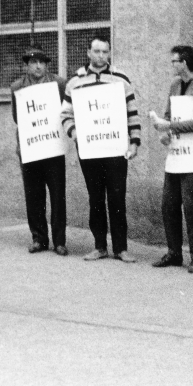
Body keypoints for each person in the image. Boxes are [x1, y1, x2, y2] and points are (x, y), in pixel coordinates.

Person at [61, 35, 140, 263]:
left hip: (115, 149)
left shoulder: (120, 79)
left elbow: (131, 112)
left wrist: (134, 141)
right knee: (95, 198)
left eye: (105, 52)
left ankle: (121, 248)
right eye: (96, 51)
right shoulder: (76, 80)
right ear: (88, 52)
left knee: (117, 198)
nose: (101, 56)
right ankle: (99, 246)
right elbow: (66, 114)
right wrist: (76, 134)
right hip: (90, 150)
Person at [151, 45, 193, 273]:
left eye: (174, 61)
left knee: (191, 205)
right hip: (176, 153)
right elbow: (169, 114)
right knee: (168, 204)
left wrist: (170, 126)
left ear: (185, 63)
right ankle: (174, 252)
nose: (172, 65)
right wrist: (164, 132)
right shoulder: (174, 85)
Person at [10, 49, 68, 255]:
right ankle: (39, 238)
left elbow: (65, 110)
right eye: (33, 62)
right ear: (27, 65)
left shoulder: (59, 84)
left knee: (58, 195)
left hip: (53, 146)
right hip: (30, 146)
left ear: (47, 65)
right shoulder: (17, 87)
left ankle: (59, 241)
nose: (38, 66)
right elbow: (19, 118)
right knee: (33, 195)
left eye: (42, 62)